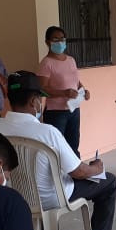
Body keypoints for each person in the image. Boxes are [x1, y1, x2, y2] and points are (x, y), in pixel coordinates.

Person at [0, 71, 116, 230]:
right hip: (50, 199)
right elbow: (78, 171)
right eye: (40, 99)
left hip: (15, 195)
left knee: (43, 177)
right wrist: (96, 169)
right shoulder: (47, 132)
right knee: (109, 182)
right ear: (34, 101)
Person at [37, 25, 89, 158]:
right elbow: (41, 90)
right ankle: (58, 170)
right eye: (56, 39)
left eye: (62, 39)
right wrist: (63, 93)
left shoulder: (71, 60)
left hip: (73, 109)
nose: (60, 42)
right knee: (57, 147)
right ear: (47, 42)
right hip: (56, 112)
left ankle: (75, 168)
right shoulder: (46, 63)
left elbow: (76, 81)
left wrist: (84, 90)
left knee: (73, 144)